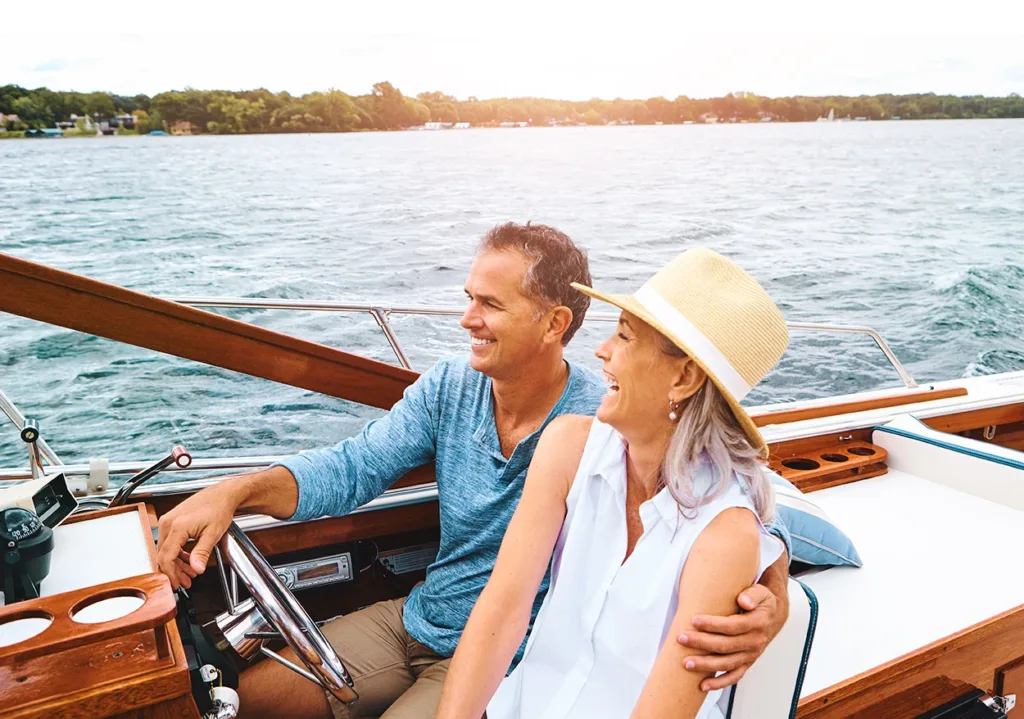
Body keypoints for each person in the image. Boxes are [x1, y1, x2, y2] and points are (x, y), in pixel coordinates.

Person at [155, 225, 792, 719]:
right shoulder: (468, 395)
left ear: (554, 324)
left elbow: (745, 498)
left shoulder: (605, 420)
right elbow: (354, 467)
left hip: (504, 662)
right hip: (420, 617)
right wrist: (236, 491)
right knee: (236, 698)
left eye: (489, 304)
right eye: (468, 299)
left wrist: (772, 575)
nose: (466, 319)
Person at [437, 247, 790, 719]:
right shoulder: (567, 446)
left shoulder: (725, 537)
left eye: (624, 335)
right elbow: (502, 610)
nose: (601, 349)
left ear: (683, 377)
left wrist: (778, 576)